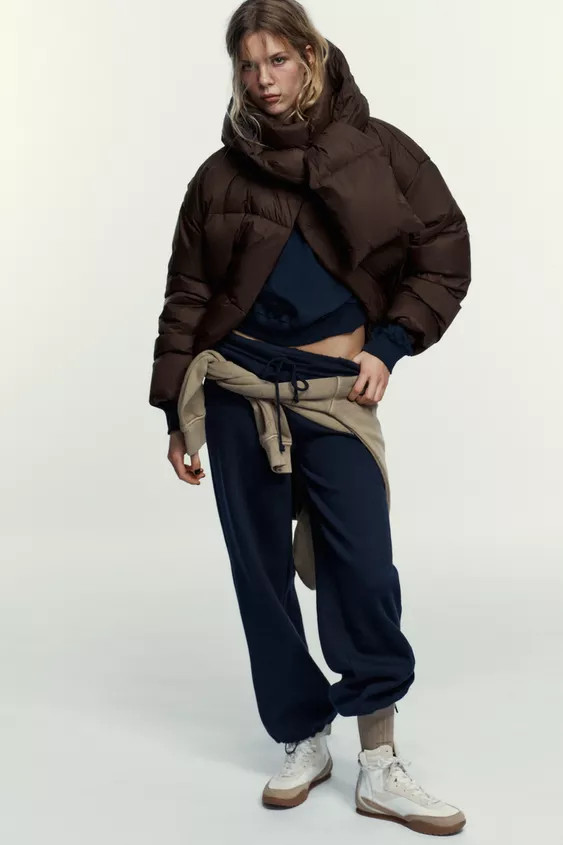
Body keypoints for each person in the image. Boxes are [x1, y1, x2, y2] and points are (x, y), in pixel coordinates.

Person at [148, 0, 471, 835]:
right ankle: (301, 734)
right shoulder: (219, 176)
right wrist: (175, 407)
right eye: (247, 65)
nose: (263, 80)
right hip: (236, 389)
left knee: (361, 569)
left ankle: (379, 760)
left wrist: (390, 344)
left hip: (336, 393)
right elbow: (187, 293)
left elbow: (442, 250)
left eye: (278, 60)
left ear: (311, 56)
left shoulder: (380, 150)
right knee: (259, 573)